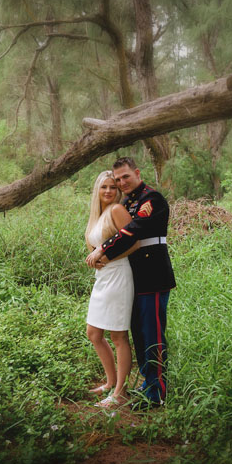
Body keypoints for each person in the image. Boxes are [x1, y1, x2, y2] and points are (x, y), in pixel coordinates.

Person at [86, 157, 176, 407]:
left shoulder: (151, 199)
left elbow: (132, 231)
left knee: (153, 335)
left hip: (153, 276)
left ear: (137, 173)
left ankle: (157, 394)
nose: (122, 182)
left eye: (126, 176)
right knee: (140, 334)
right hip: (134, 277)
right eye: (118, 179)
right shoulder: (128, 202)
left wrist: (103, 249)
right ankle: (148, 383)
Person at [84, 170, 137, 408]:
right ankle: (110, 382)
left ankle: (120, 393)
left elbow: (135, 243)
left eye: (112, 187)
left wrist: (107, 257)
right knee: (94, 333)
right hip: (103, 277)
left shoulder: (117, 210)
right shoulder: (99, 214)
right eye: (104, 187)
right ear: (97, 190)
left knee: (118, 336)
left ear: (118, 191)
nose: (108, 191)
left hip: (118, 275)